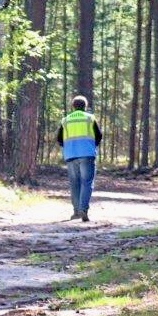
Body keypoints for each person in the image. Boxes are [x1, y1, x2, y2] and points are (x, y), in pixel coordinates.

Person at [57, 94, 103, 222]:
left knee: (74, 183)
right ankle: (83, 210)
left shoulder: (66, 120)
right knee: (86, 183)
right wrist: (91, 146)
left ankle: (76, 211)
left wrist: (68, 147)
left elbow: (60, 139)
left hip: (71, 155)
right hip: (87, 154)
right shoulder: (90, 118)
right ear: (85, 106)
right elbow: (99, 136)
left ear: (73, 106)